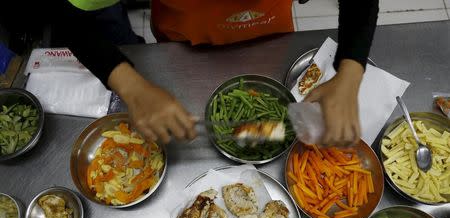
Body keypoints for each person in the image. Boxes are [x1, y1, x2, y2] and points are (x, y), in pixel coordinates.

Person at [3, 0, 379, 146]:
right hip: (183, 39)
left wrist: (349, 73)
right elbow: (67, 18)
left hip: (269, 35)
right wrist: (130, 85)